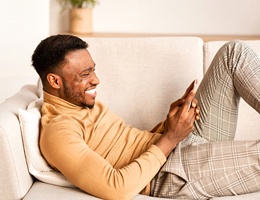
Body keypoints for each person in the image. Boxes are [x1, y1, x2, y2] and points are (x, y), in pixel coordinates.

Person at [32, 34, 260, 200]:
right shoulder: (58, 132)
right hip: (169, 173)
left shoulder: (80, 101)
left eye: (93, 70)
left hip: (173, 145)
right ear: (54, 81)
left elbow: (128, 146)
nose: (96, 80)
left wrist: (167, 126)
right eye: (85, 74)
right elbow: (115, 188)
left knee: (234, 53)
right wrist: (170, 138)